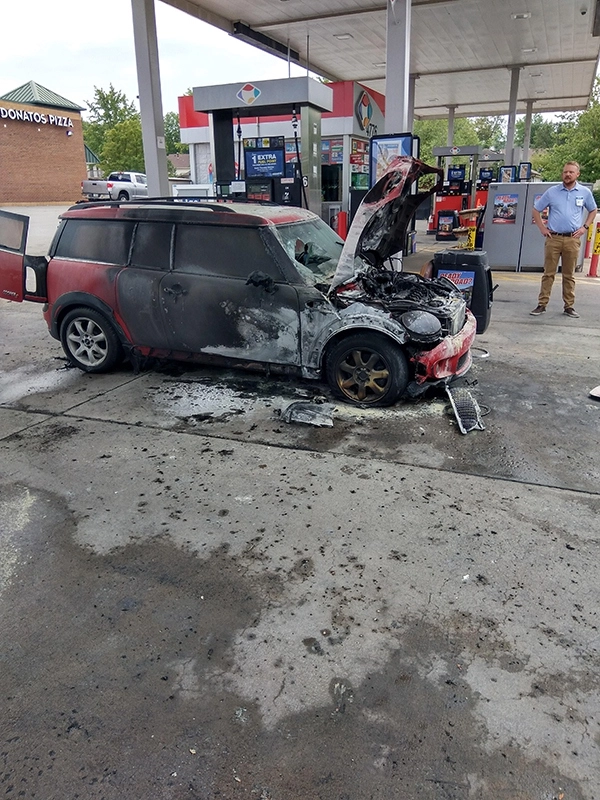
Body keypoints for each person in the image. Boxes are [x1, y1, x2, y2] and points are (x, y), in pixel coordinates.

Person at [530, 161, 597, 318]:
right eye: (565, 172)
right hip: (553, 238)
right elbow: (536, 209)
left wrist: (584, 227)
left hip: (572, 239)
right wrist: (542, 228)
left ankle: (569, 306)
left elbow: (593, 210)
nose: (567, 175)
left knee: (569, 275)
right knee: (548, 273)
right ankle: (542, 304)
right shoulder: (552, 192)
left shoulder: (584, 192)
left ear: (577, 174)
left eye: (571, 172)